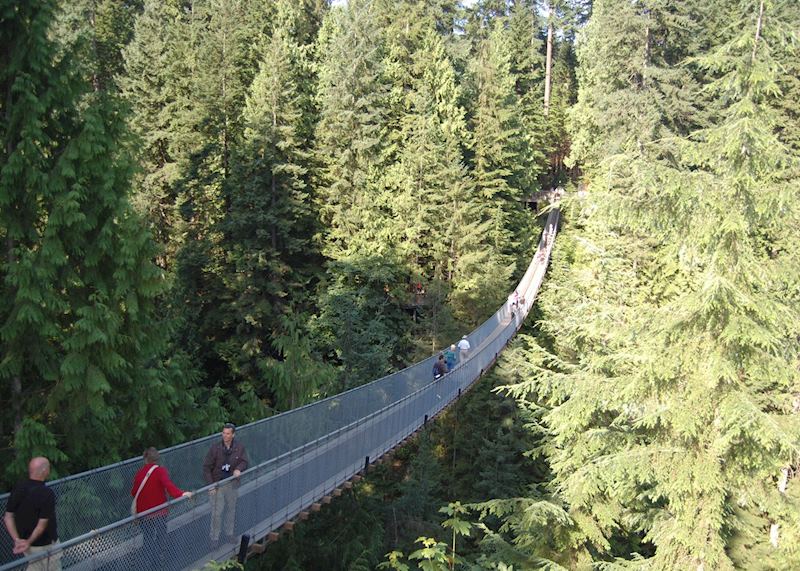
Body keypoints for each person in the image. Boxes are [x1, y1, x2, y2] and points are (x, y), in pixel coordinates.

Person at [131, 448, 192, 568]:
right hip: (159, 512)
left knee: (147, 538)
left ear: (145, 459)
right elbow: (168, 486)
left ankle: (146, 564)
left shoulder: (140, 473)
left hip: (144, 513)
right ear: (157, 459)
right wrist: (181, 494)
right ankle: (158, 563)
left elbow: (134, 492)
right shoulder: (160, 471)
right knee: (160, 537)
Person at [3, 457, 60, 571]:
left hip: (27, 546)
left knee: (33, 566)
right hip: (45, 545)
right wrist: (28, 542)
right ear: (44, 471)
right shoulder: (47, 493)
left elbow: (8, 517)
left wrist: (18, 540)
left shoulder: (18, 487)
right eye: (48, 467)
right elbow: (42, 524)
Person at [203, 423, 249, 547]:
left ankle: (229, 533)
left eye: (228, 433)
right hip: (217, 484)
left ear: (233, 434)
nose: (225, 436)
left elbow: (245, 461)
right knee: (217, 512)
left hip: (231, 484)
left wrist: (239, 469)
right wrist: (210, 485)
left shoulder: (239, 447)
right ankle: (214, 538)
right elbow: (206, 467)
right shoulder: (215, 448)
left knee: (231, 509)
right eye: (223, 433)